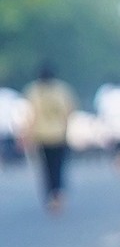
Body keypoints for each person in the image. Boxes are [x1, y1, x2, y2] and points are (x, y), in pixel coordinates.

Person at [23, 62, 75, 211]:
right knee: (58, 166)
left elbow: (30, 116)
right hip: (59, 135)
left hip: (41, 136)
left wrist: (27, 135)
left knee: (46, 169)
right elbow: (69, 111)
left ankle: (51, 196)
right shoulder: (62, 90)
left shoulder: (33, 91)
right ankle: (58, 195)